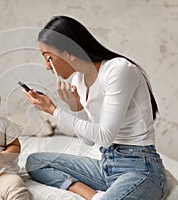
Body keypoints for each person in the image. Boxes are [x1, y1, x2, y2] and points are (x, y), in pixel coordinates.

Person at [24, 16, 167, 200]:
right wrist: (76, 107)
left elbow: (104, 136)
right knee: (36, 162)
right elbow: (89, 141)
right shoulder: (79, 80)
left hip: (140, 168)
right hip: (107, 164)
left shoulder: (118, 70)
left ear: (69, 52)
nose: (46, 66)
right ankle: (95, 196)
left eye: (48, 58)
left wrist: (54, 111)